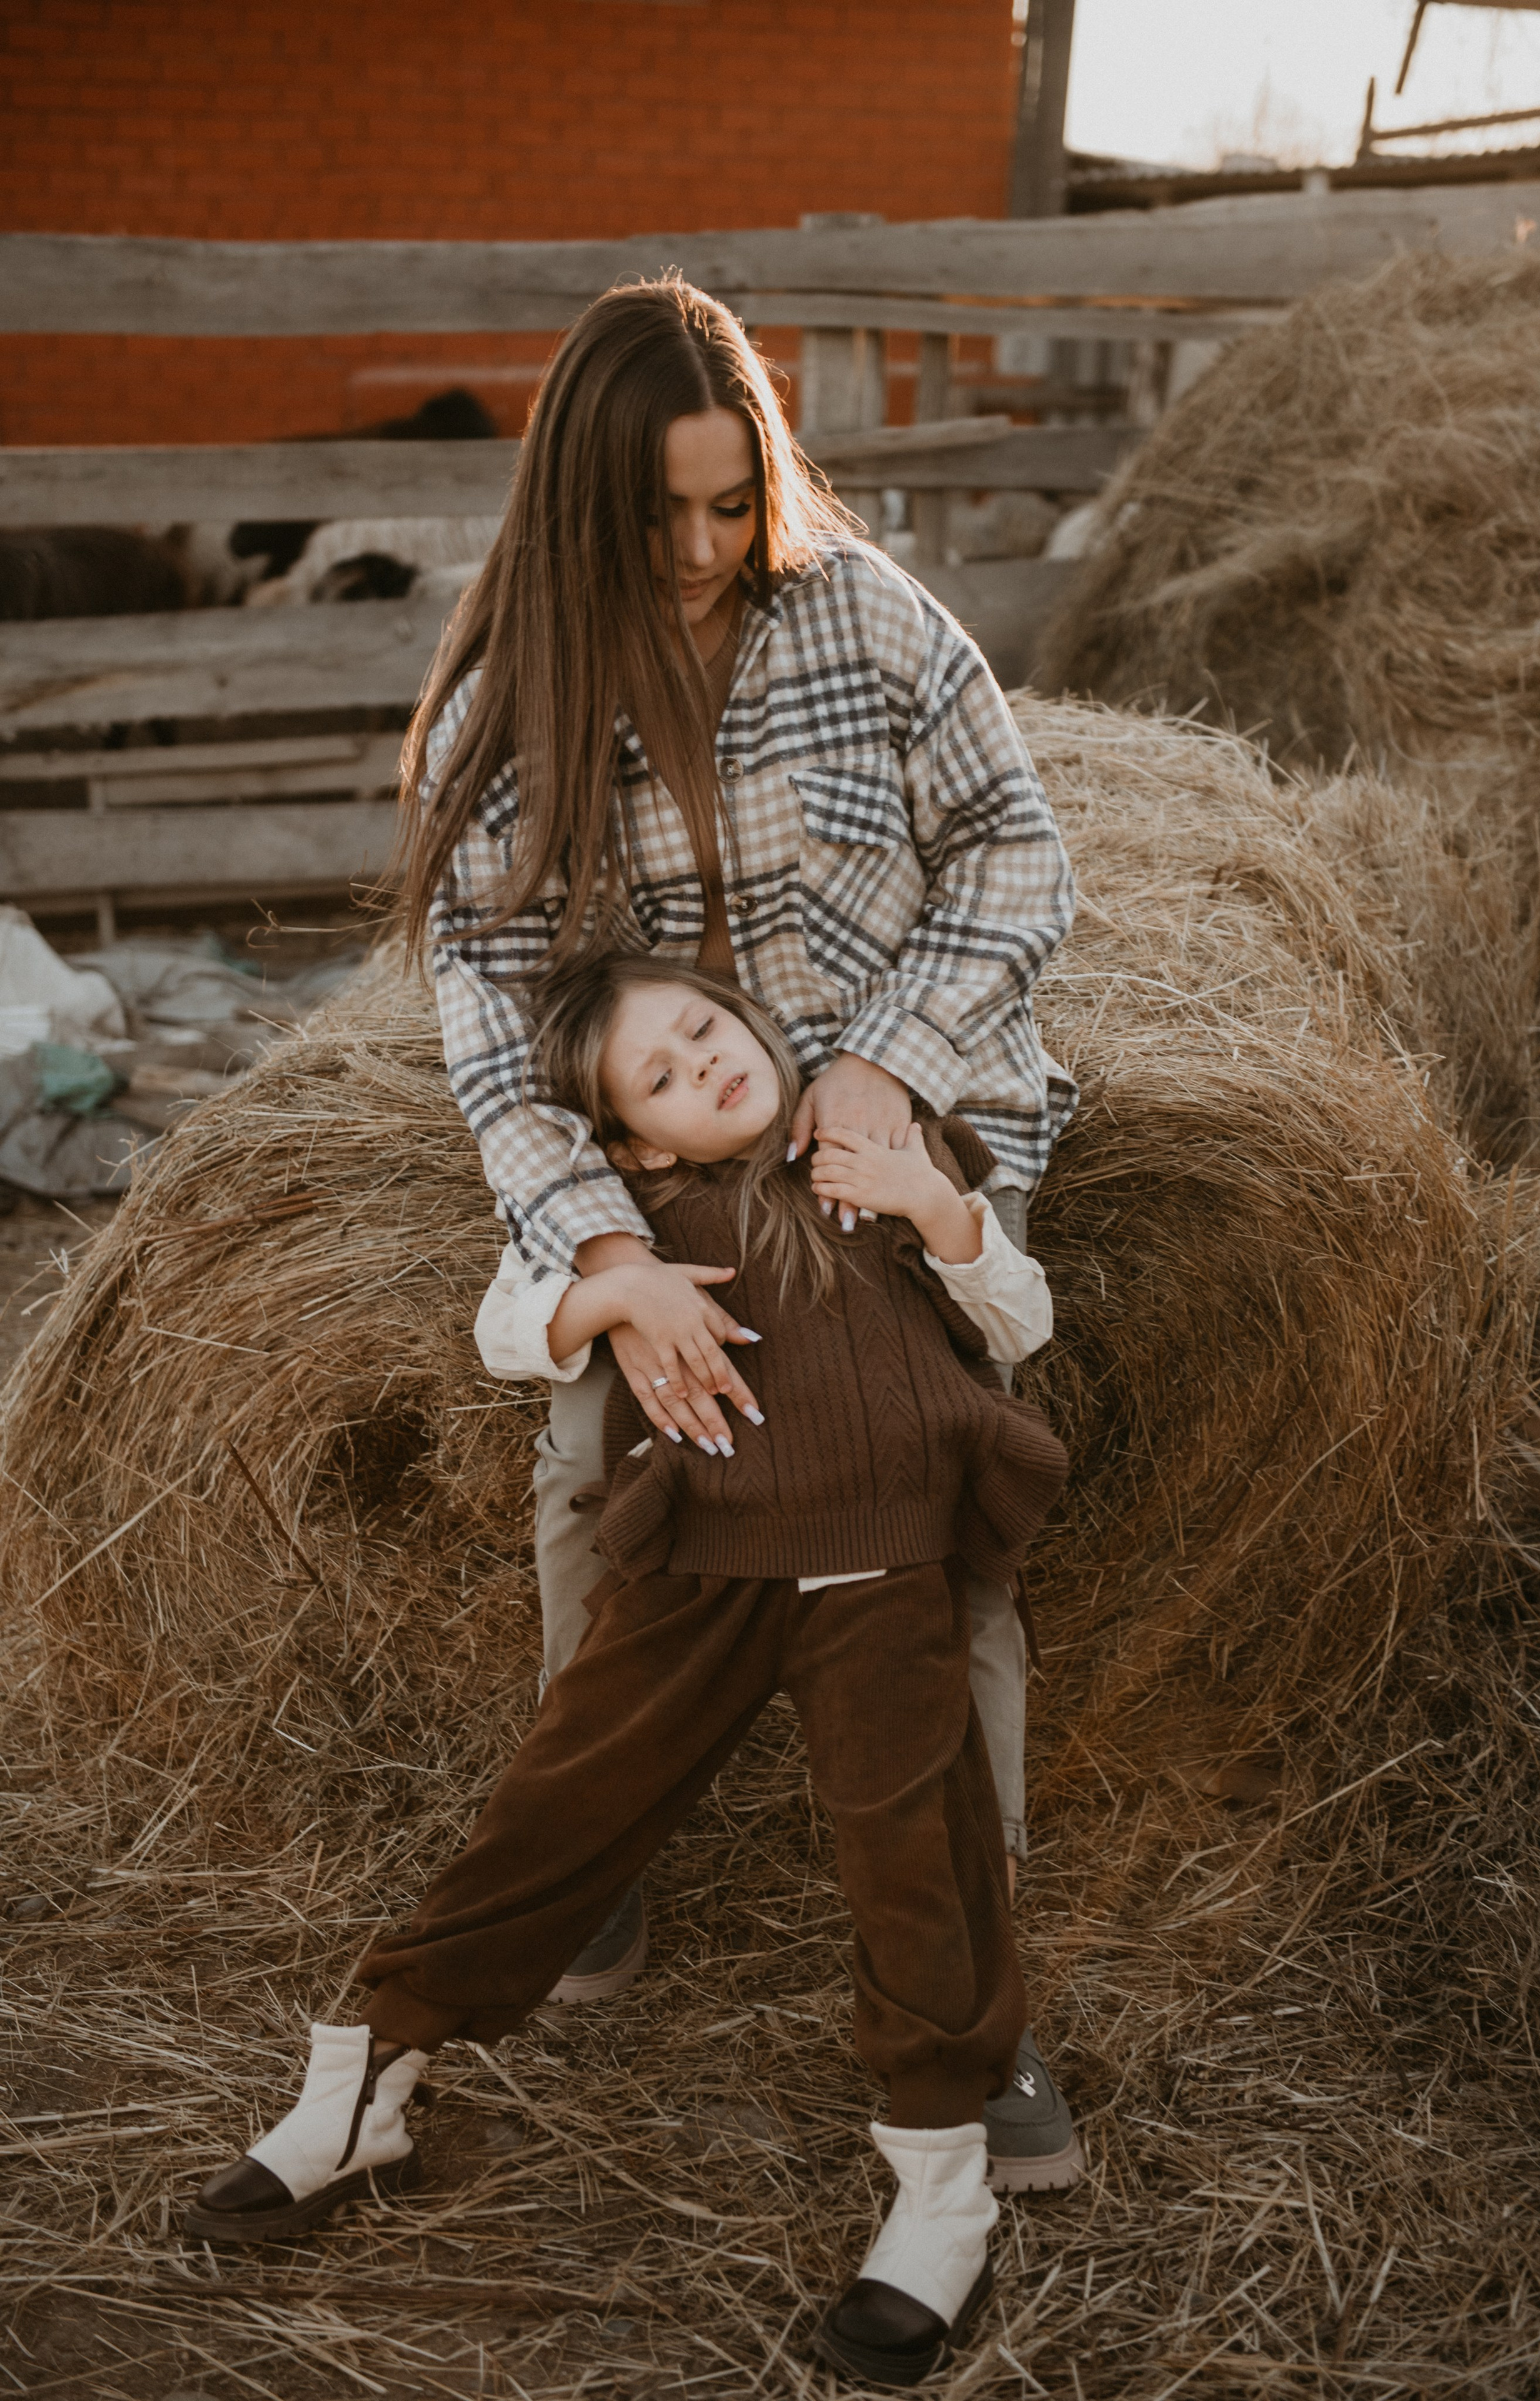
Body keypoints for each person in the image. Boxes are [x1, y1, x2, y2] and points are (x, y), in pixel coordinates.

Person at [184, 961, 1075, 2388]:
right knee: (556, 1811)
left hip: (878, 1574)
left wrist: (935, 1212)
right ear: (637, 1145)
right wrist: (611, 1299)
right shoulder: (617, 1229)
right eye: (658, 1077)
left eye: (707, 1031)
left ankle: (937, 2188)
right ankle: (365, 2080)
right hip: (697, 1578)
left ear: (760, 1025)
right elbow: (499, 1336)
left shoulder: (884, 1152)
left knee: (918, 1858)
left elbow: (1014, 1325)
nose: (703, 1067)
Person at [406, 278, 1077, 2147]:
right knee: (595, 1461)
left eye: (731, 503)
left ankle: (976, 1995)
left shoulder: (866, 616)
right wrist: (610, 1264)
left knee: (942, 1511)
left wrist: (889, 1061)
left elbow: (1021, 852)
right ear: (579, 503)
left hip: (884, 1117)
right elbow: (489, 1030)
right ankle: (594, 1843)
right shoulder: (512, 697)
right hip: (664, 1156)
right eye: (659, 514)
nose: (703, 550)